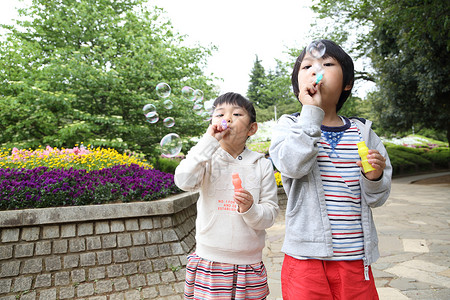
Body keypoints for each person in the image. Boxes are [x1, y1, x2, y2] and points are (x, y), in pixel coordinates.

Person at [269, 39, 392, 300]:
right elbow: (292, 165)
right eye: (307, 66)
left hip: (355, 256)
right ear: (297, 83)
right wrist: (310, 113)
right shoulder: (289, 126)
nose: (316, 70)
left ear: (347, 83)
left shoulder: (363, 132)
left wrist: (375, 177)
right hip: (306, 258)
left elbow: (377, 198)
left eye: (327, 64)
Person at [175, 92, 279, 299]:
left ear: (252, 129)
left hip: (248, 263)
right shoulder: (206, 159)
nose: (227, 118)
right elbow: (183, 181)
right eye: (220, 114)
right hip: (209, 259)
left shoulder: (262, 165)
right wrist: (208, 142)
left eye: (237, 114)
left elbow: (270, 215)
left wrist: (251, 209)